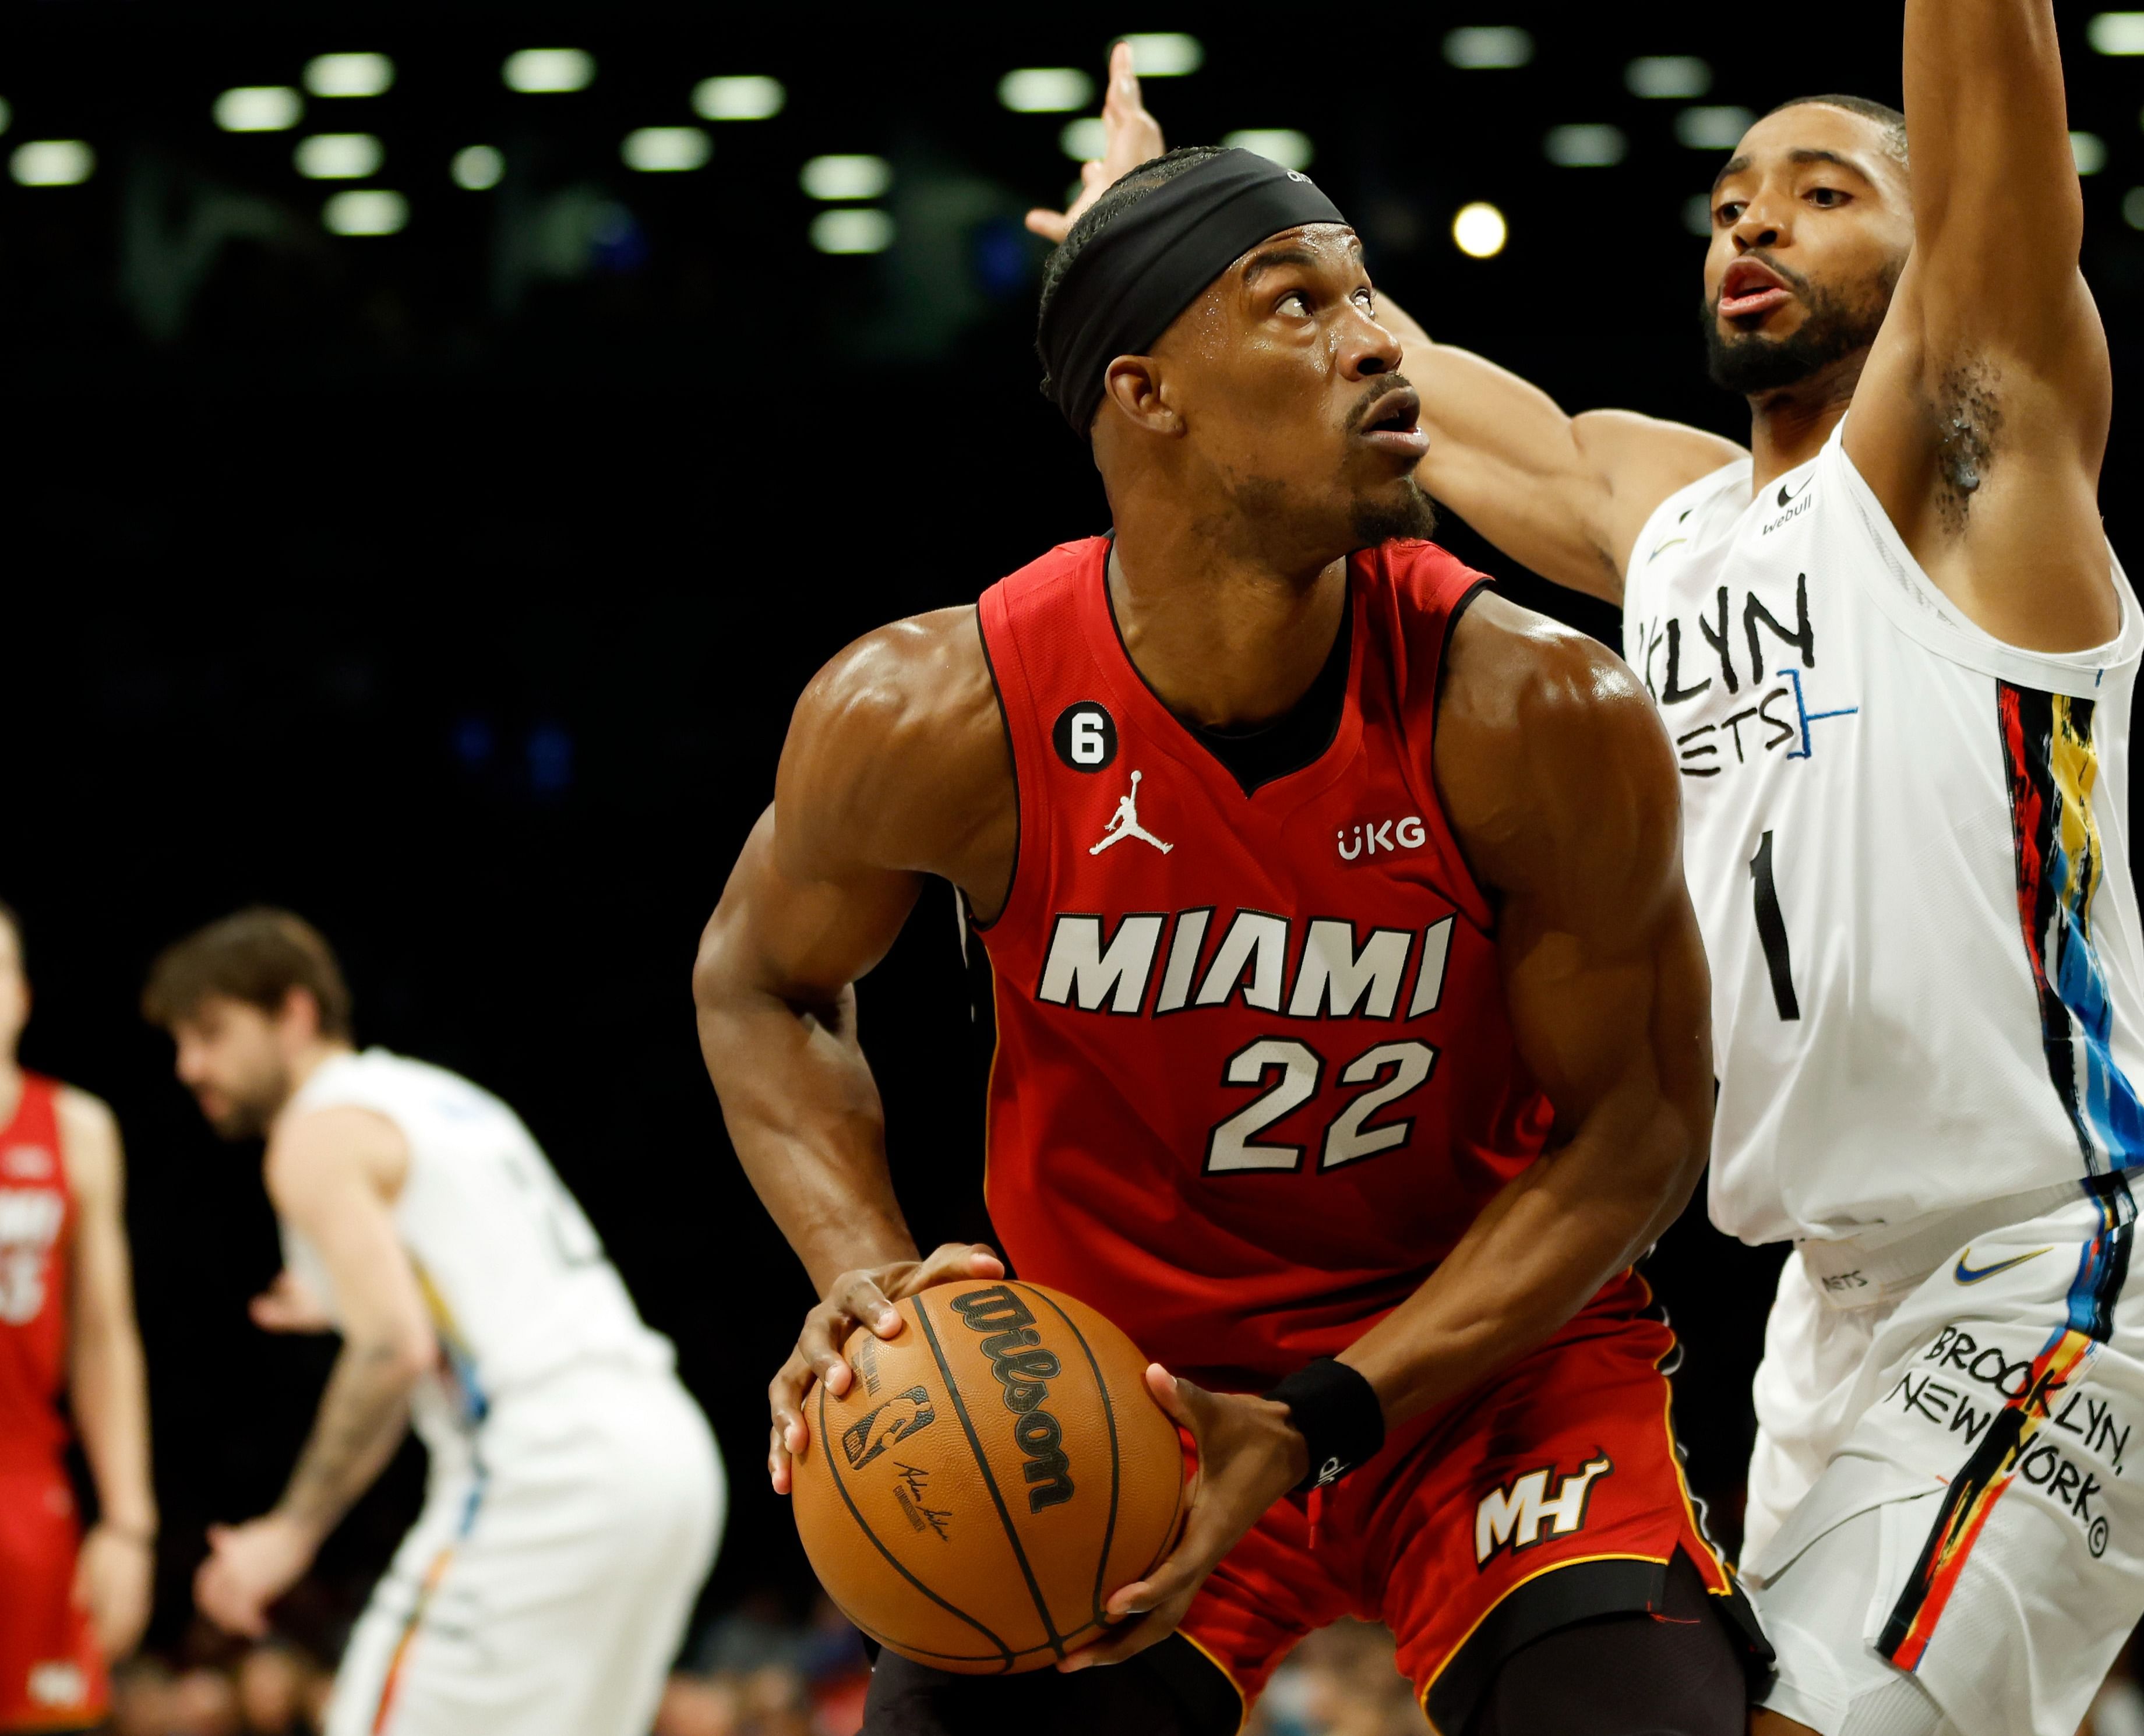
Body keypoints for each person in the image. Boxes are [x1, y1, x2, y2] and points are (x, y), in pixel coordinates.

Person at [1036, 5, 2144, 1734]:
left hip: (2065, 1240)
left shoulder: (1980, 480)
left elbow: (2001, 161)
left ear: (1941, 256)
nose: (1749, 223)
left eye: (1822, 191)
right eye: (1726, 200)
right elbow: (1377, 365)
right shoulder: (1671, 521)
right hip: (1831, 1302)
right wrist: (1151, 225)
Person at [696, 141, 1769, 1734]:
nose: (1375, 341)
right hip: (1114, 1399)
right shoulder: (930, 711)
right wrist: (870, 1281)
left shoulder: (1536, 710)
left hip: (1483, 1380)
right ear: (1145, 394)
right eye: (1297, 304)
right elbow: (761, 984)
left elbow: (1639, 1130)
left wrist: (1329, 1410)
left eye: (1363, 295)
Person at [144, 908, 726, 1736]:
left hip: (546, 1469)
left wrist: (288, 1534)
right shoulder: (439, 1098)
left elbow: (394, 1347)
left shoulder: (314, 1134)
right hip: (668, 1458)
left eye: (210, 1032)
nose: (190, 1065)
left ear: (294, 1013)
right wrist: (338, 1300)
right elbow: (470, 1278)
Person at [0, 899, 155, 1734]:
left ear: (20, 994)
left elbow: (105, 1341)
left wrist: (129, 1524)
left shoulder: (77, 1129)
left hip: (25, 1492)